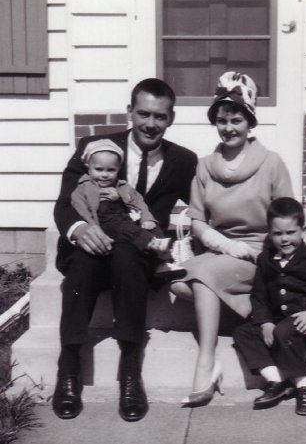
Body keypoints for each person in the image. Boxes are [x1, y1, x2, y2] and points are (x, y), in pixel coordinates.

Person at [53, 78, 198, 421]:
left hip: (134, 254)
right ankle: (69, 364)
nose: (151, 123)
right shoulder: (94, 147)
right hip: (91, 245)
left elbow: (206, 207)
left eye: (160, 117)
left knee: (128, 256)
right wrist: (80, 228)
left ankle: (130, 368)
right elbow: (64, 203)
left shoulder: (182, 160)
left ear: (171, 118)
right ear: (130, 112)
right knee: (85, 264)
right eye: (144, 113)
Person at [170, 71, 296, 407]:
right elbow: (197, 221)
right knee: (176, 282)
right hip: (222, 251)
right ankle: (248, 307)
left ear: (250, 121)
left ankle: (207, 361)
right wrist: (225, 245)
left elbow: (288, 218)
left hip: (259, 254)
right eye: (222, 120)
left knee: (204, 279)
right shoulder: (204, 166)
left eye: (236, 119)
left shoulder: (271, 164)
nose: (228, 128)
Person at [233, 197, 306, 415]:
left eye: (290, 232)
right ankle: (276, 381)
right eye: (278, 233)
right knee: (243, 332)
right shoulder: (265, 260)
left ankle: (304, 386)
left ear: (303, 231)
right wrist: (264, 322)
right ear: (270, 233)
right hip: (278, 323)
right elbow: (259, 295)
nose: (284, 239)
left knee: (285, 330)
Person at [71, 139, 185, 278]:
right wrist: (93, 227)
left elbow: (139, 202)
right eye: (99, 169)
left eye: (111, 170)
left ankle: (163, 261)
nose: (104, 175)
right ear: (88, 166)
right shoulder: (83, 189)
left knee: (153, 227)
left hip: (126, 219)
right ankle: (153, 243)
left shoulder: (123, 187)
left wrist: (146, 218)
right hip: (103, 224)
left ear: (118, 169)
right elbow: (82, 210)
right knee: (121, 225)